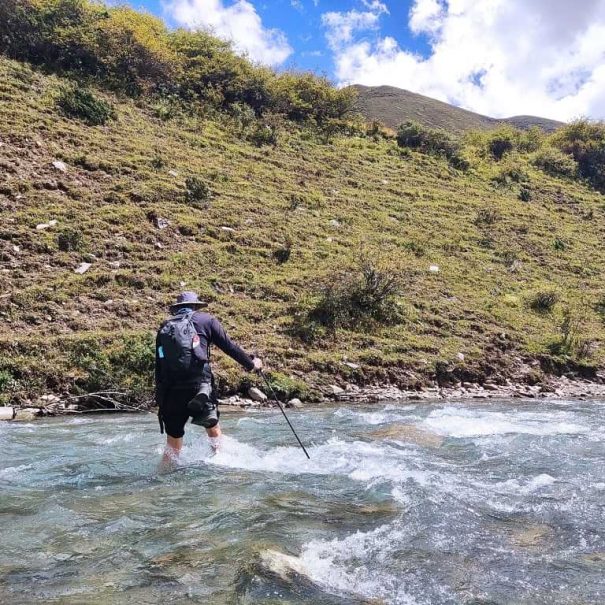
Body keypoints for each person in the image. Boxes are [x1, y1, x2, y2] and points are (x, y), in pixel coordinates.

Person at [155, 291, 262, 466]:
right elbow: (229, 347)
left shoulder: (165, 326)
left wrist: (161, 398)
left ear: (177, 309)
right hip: (199, 388)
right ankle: (220, 467)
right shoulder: (206, 320)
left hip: (171, 391)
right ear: (196, 306)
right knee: (213, 430)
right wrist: (252, 364)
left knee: (173, 444)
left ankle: (162, 478)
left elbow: (159, 363)